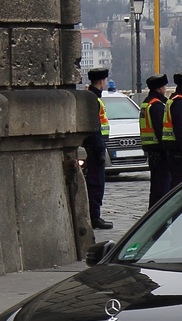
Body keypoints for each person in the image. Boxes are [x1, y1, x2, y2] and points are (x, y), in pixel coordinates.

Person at [83, 67, 113, 229]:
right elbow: (95, 128)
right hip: (95, 147)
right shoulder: (94, 99)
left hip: (93, 146)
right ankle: (94, 215)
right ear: (101, 81)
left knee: (95, 182)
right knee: (96, 183)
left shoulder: (91, 97)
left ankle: (94, 214)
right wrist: (100, 149)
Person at [140, 73, 171, 209]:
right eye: (164, 86)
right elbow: (160, 130)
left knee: (156, 186)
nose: (165, 89)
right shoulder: (156, 105)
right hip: (159, 150)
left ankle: (153, 211)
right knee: (162, 187)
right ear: (159, 88)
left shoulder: (146, 103)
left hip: (151, 149)